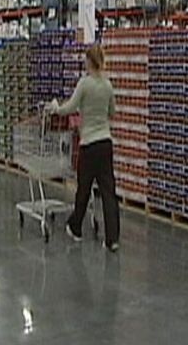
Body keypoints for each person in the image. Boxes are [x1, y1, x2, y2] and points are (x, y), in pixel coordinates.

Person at [49, 44, 120, 252]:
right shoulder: (107, 85)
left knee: (84, 188)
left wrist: (56, 108)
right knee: (108, 192)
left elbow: (69, 108)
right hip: (105, 143)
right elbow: (112, 112)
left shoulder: (84, 84)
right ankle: (112, 239)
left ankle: (76, 227)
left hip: (88, 144)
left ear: (89, 61)